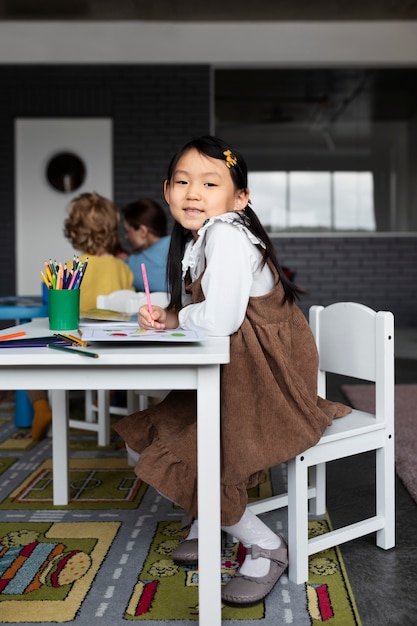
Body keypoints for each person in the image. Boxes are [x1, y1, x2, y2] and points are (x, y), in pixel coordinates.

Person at [113, 136, 350, 606]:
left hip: (268, 385)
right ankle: (210, 515)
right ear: (166, 190)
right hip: (238, 375)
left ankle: (264, 544)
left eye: (209, 182)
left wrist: (184, 318)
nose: (192, 193)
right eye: (182, 182)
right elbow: (209, 310)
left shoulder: (226, 234)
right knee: (155, 434)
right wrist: (172, 316)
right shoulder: (208, 237)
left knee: (175, 448)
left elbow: (221, 319)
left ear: (239, 198)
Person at [28, 192, 134, 441]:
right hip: (111, 345)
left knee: (30, 357)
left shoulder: (69, 268)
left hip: (73, 342)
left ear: (74, 231)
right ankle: (104, 395)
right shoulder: (123, 268)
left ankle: (41, 407)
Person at [121, 198, 170, 292]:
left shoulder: (133, 264)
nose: (126, 237)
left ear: (143, 231)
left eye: (128, 231)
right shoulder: (184, 247)